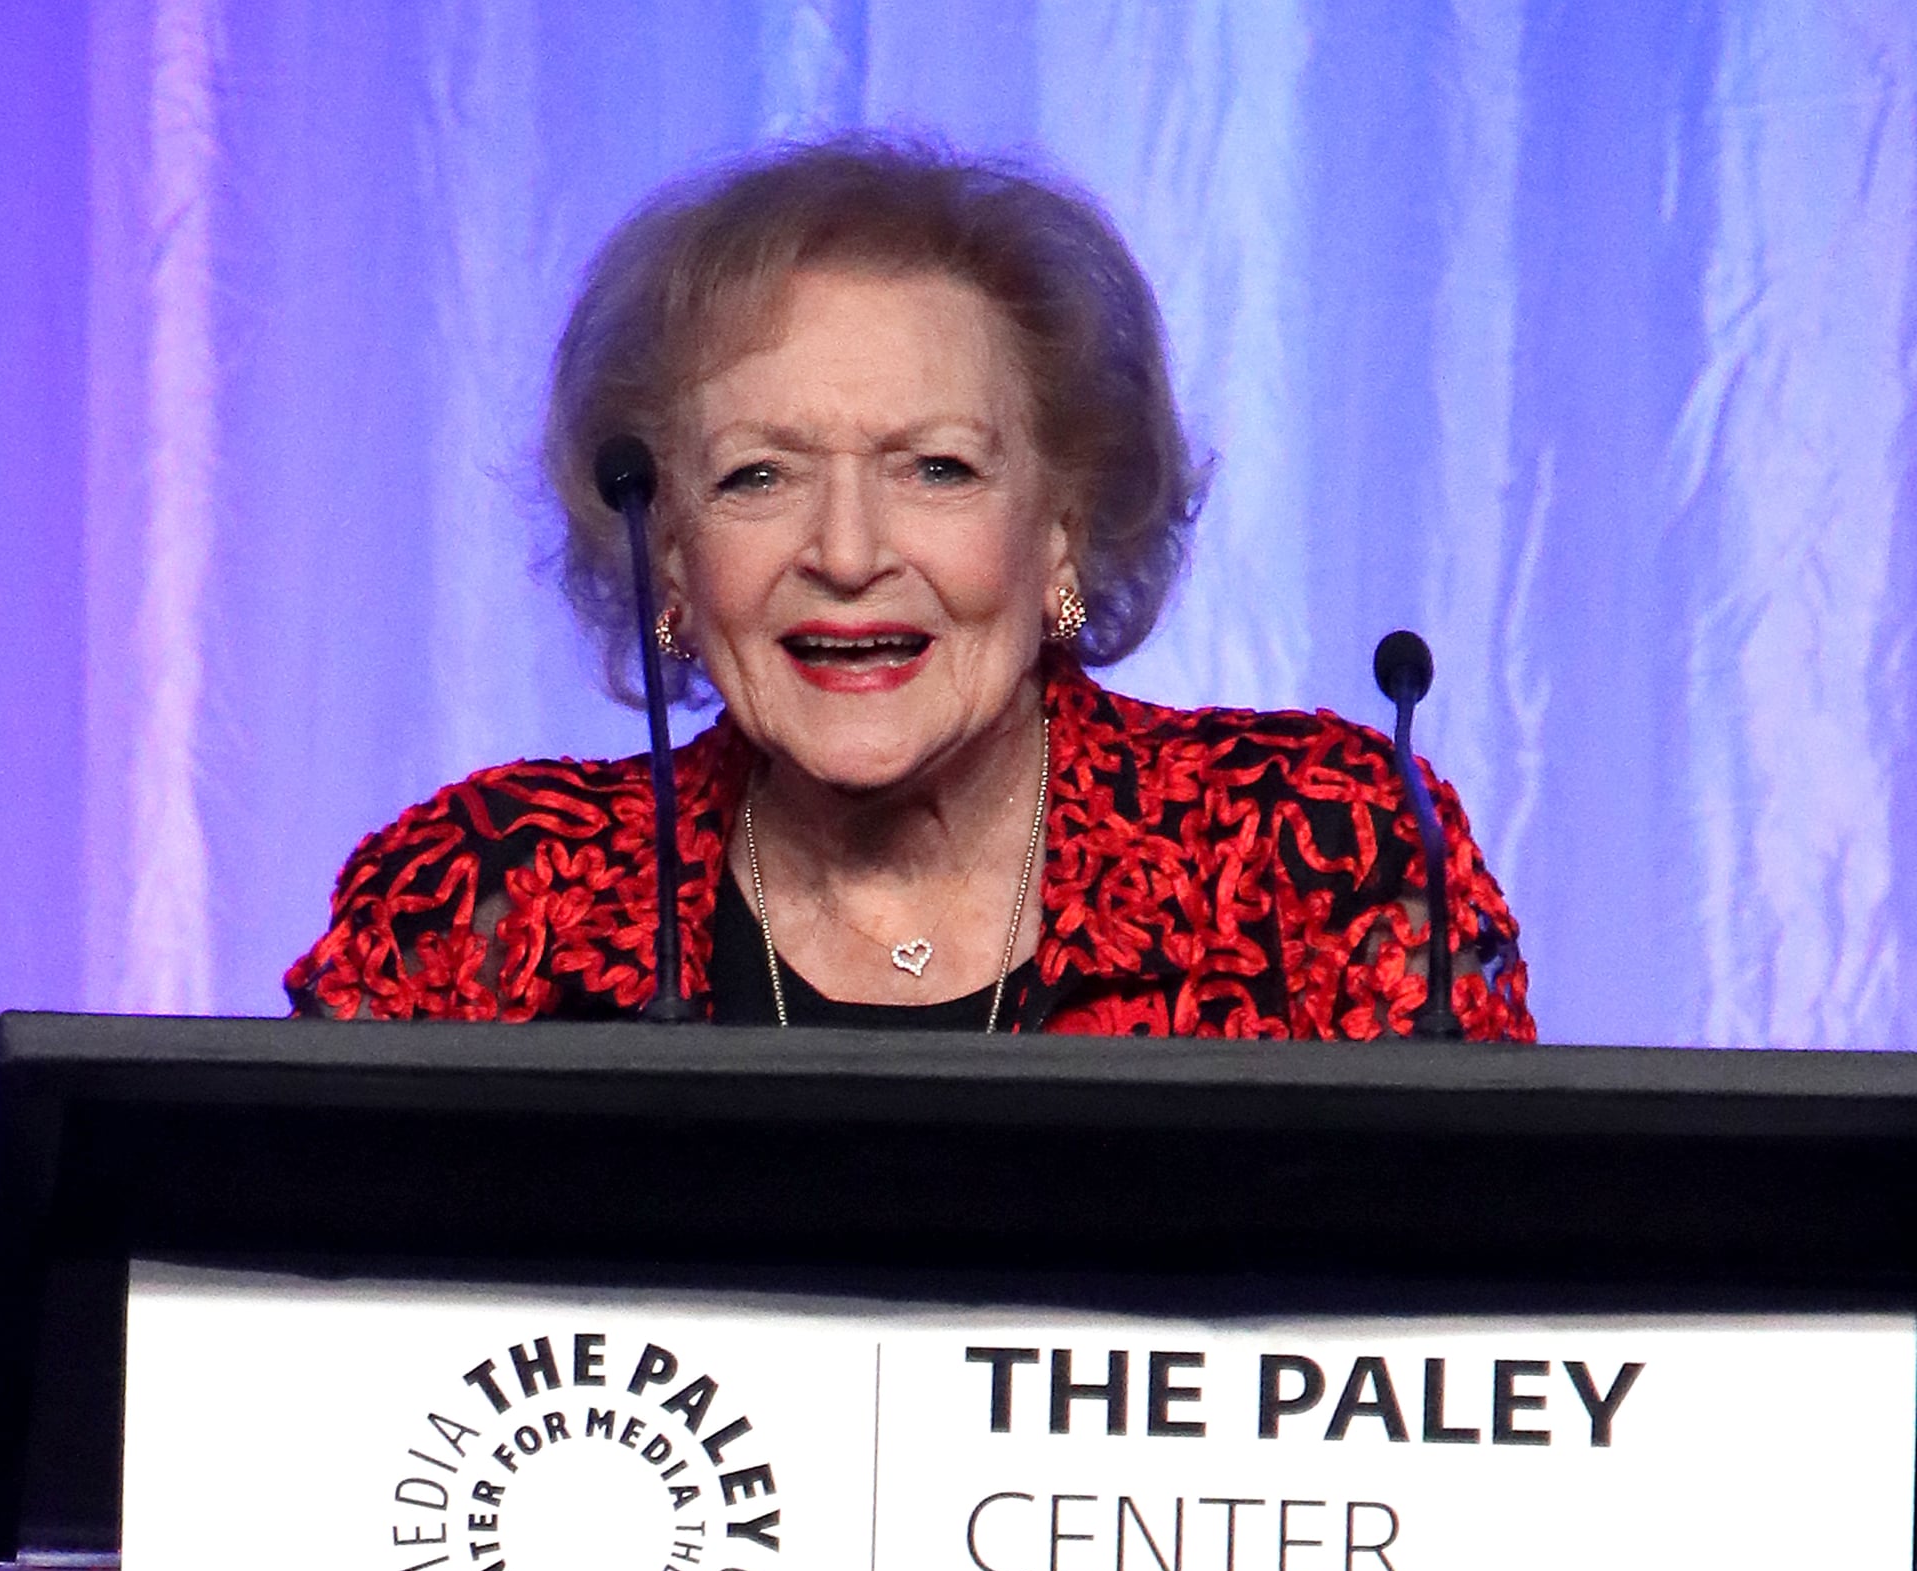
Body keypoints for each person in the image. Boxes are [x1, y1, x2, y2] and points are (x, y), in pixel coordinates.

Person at [285, 136, 1532, 1041]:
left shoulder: (1317, 856)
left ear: (1061, 529)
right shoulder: (486, 899)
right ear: (666, 551)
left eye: (935, 468)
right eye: (756, 476)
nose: (844, 551)